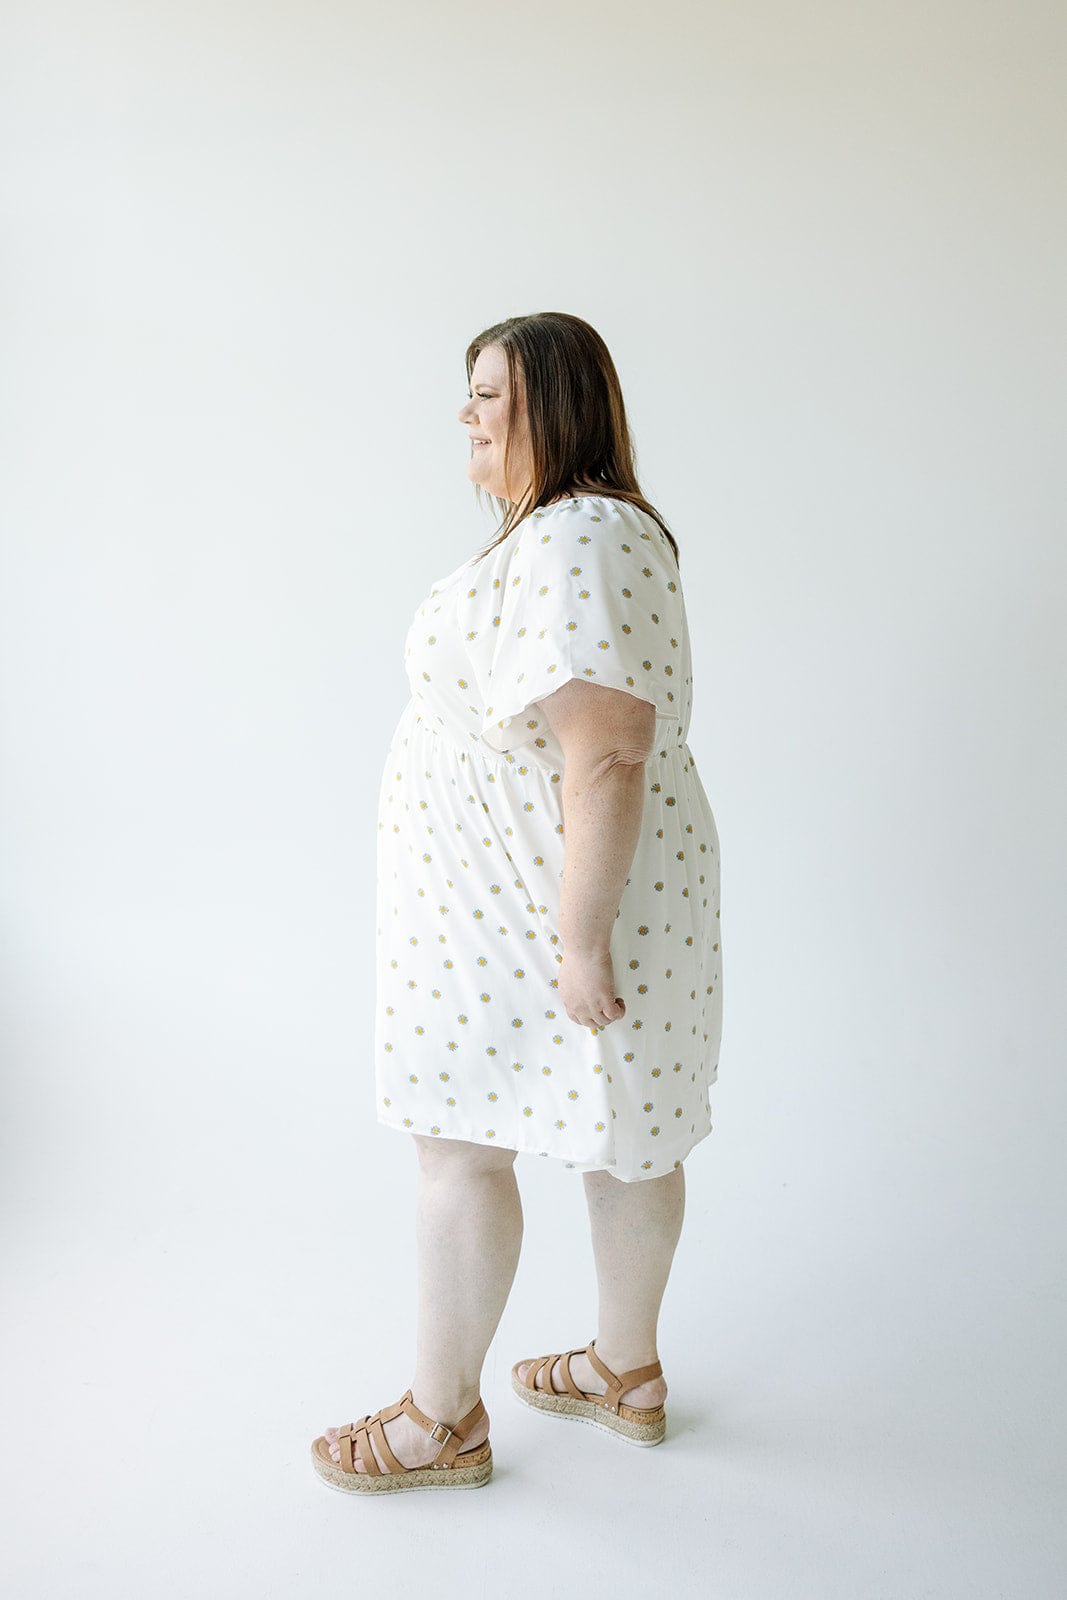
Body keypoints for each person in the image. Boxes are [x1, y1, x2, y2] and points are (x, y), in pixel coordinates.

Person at [310, 311, 723, 1493]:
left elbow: (609, 747)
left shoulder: (576, 534)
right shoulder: (575, 531)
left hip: (534, 911)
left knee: (460, 1148)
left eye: (488, 394)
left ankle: (438, 1421)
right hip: (526, 903)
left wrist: (578, 940)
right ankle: (621, 1372)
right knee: (622, 1132)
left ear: (555, 404)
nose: (467, 414)